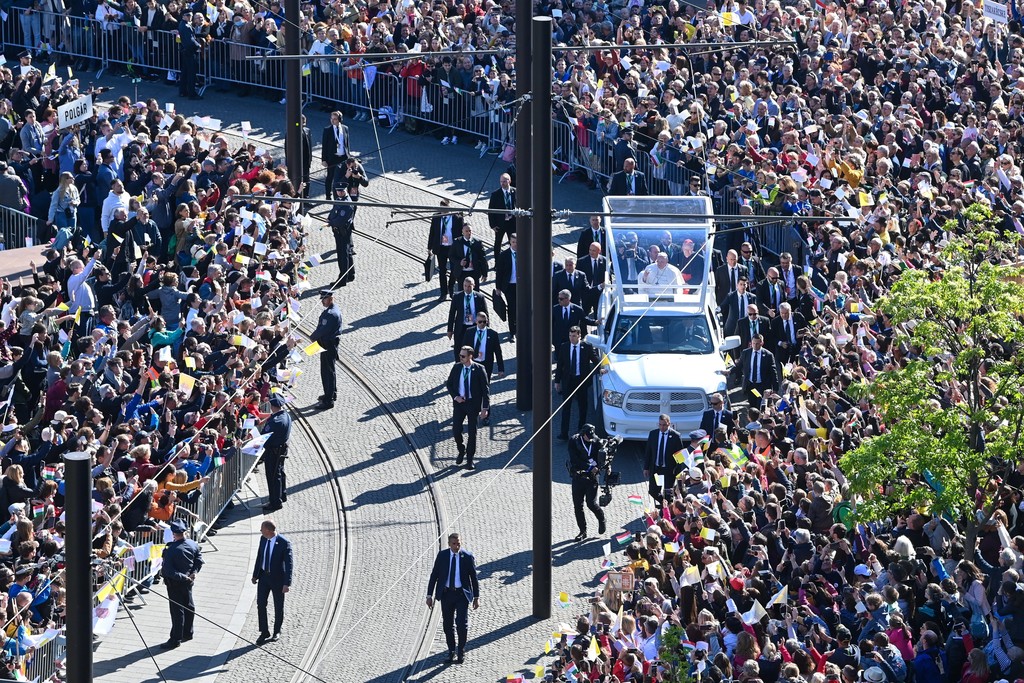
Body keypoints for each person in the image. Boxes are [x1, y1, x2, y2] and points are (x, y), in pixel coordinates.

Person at [426, 532, 480, 664]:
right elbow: (434, 575)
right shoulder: (442, 556)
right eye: (454, 544)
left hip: (461, 595)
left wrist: (476, 597)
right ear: (449, 544)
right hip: (446, 594)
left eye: (458, 544)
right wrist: (429, 595)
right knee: (447, 625)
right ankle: (451, 651)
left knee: (462, 624)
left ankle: (461, 650)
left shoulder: (467, 557)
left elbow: (473, 577)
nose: (456, 546)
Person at [160, 519, 203, 649]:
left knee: (177, 611)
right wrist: (193, 573)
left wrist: (183, 577)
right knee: (189, 606)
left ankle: (175, 638)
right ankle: (188, 632)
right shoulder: (192, 544)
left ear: (173, 533)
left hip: (175, 583)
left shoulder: (170, 549)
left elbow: (168, 570)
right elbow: (199, 560)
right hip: (188, 582)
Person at [445, 347, 489, 469]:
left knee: (472, 433)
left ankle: (470, 460)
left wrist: (485, 408)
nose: (460, 358)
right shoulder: (457, 367)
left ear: (470, 356)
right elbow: (449, 384)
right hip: (459, 404)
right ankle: (461, 449)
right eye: (460, 355)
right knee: (456, 430)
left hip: (472, 404)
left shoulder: (479, 369)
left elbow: (485, 390)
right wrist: (456, 397)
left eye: (463, 356)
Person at [251, 519, 293, 644]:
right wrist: (255, 575)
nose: (260, 531)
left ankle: (277, 631)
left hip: (278, 579)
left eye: (262, 529)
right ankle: (264, 631)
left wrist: (287, 583)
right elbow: (260, 557)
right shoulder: (263, 539)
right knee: (261, 604)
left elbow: (289, 564)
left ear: (268, 530)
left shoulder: (284, 543)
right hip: (264, 577)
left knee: (278, 606)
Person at [555, 326, 600, 440]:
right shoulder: (564, 347)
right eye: (570, 335)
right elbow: (560, 365)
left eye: (574, 336)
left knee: (582, 407)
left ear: (579, 336)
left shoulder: (587, 347)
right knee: (566, 407)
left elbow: (595, 359)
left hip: (582, 381)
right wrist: (557, 381)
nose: (571, 338)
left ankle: (581, 431)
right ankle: (564, 433)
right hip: (568, 381)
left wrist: (601, 369)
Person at [567, 424, 606, 542]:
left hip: (592, 478)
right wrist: (589, 467)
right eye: (588, 436)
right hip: (578, 477)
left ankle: (601, 519)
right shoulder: (574, 441)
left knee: (591, 503)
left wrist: (604, 466)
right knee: (578, 506)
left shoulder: (596, 442)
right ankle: (582, 531)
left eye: (591, 436)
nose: (590, 438)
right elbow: (574, 460)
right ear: (582, 434)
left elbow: (603, 457)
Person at [309, 290, 343, 409]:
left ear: (330, 299)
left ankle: (328, 400)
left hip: (328, 344)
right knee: (328, 370)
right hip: (328, 343)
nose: (322, 301)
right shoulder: (332, 311)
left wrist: (312, 337)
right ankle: (330, 393)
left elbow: (322, 330)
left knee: (327, 371)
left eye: (324, 299)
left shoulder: (330, 314)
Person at [643, 414, 683, 510]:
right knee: (653, 491)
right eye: (660, 424)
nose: (662, 427)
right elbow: (648, 452)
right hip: (656, 468)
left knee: (668, 492)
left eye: (664, 425)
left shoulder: (675, 436)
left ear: (669, 423)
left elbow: (680, 455)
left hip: (669, 470)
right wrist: (646, 467)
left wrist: (679, 471)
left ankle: (667, 509)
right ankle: (666, 506)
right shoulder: (653, 434)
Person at [260, 393, 292, 512]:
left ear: (272, 406)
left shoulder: (275, 421)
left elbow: (264, 436)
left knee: (273, 476)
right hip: (281, 449)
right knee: (280, 473)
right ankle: (282, 495)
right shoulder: (286, 416)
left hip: (273, 452)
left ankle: (275, 501)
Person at [427, 201, 464, 300]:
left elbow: (461, 235)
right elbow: (432, 233)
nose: (442, 210)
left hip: (453, 248)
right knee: (442, 271)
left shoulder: (457, 218)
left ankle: (451, 287)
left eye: (445, 208)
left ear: (449, 207)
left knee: (454, 270)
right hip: (441, 248)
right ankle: (443, 293)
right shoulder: (436, 217)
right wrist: (429, 247)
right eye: (441, 208)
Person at [447, 277, 487, 361]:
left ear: (474, 285)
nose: (467, 288)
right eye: (465, 286)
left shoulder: (480, 297)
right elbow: (452, 313)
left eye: (469, 286)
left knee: (474, 348)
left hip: (474, 327)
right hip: (461, 327)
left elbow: (485, 314)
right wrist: (450, 330)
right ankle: (459, 366)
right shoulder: (457, 296)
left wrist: (485, 328)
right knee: (458, 348)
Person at [326, 187, 356, 288]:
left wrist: (331, 222)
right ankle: (350, 274)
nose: (340, 192)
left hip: (343, 231)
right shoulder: (339, 200)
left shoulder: (347, 203)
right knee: (347, 252)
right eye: (338, 191)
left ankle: (343, 279)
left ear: (346, 190)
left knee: (343, 255)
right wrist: (329, 218)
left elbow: (341, 219)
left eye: (342, 191)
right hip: (339, 231)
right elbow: (333, 211)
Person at [739, 334, 778, 406]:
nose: (755, 345)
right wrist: (730, 371)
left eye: (757, 344)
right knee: (752, 405)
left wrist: (775, 388)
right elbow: (739, 365)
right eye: (753, 343)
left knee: (761, 405)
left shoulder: (768, 355)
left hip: (762, 386)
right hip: (750, 385)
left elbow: (773, 372)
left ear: (762, 343)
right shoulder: (746, 353)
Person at [448, 223, 487, 290]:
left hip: (474, 272)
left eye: (470, 231)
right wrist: (459, 262)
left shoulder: (477, 242)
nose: (469, 233)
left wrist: (484, 273)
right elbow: (451, 256)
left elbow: (482, 258)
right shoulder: (457, 242)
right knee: (462, 293)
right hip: (462, 272)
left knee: (475, 292)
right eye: (466, 231)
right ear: (462, 231)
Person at [493, 234, 518, 341]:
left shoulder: (525, 253)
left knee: (522, 308)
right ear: (510, 243)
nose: (515, 244)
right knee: (512, 309)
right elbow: (499, 273)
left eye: (517, 242)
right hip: (509, 286)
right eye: (513, 242)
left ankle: (521, 329)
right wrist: (498, 288)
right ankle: (512, 332)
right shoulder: (504, 255)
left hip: (522, 286)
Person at [321, 111, 351, 199]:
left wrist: (348, 156)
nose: (333, 121)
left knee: (344, 176)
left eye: (335, 119)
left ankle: (344, 193)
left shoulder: (345, 128)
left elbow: (347, 143)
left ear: (340, 120)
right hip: (332, 158)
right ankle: (328, 195)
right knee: (330, 177)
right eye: (332, 119)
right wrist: (324, 159)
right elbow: (324, 145)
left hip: (343, 157)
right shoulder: (327, 130)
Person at [486, 173, 516, 253]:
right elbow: (490, 211)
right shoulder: (495, 194)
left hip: (512, 223)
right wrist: (492, 225)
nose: (502, 183)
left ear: (509, 181)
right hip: (500, 223)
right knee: (498, 243)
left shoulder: (515, 192)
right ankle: (497, 262)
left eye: (504, 181)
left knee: (513, 242)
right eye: (501, 181)